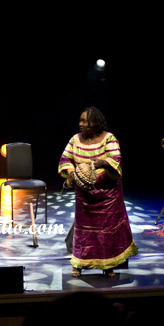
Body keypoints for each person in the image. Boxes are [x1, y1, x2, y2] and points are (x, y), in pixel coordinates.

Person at [58, 106, 138, 277]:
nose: (80, 124)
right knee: (83, 231)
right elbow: (66, 159)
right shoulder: (75, 139)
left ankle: (108, 265)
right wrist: (73, 174)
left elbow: (115, 160)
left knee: (107, 233)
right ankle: (78, 264)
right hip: (85, 194)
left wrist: (99, 164)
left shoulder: (109, 139)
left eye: (84, 121)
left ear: (94, 122)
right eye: (80, 120)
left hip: (107, 195)